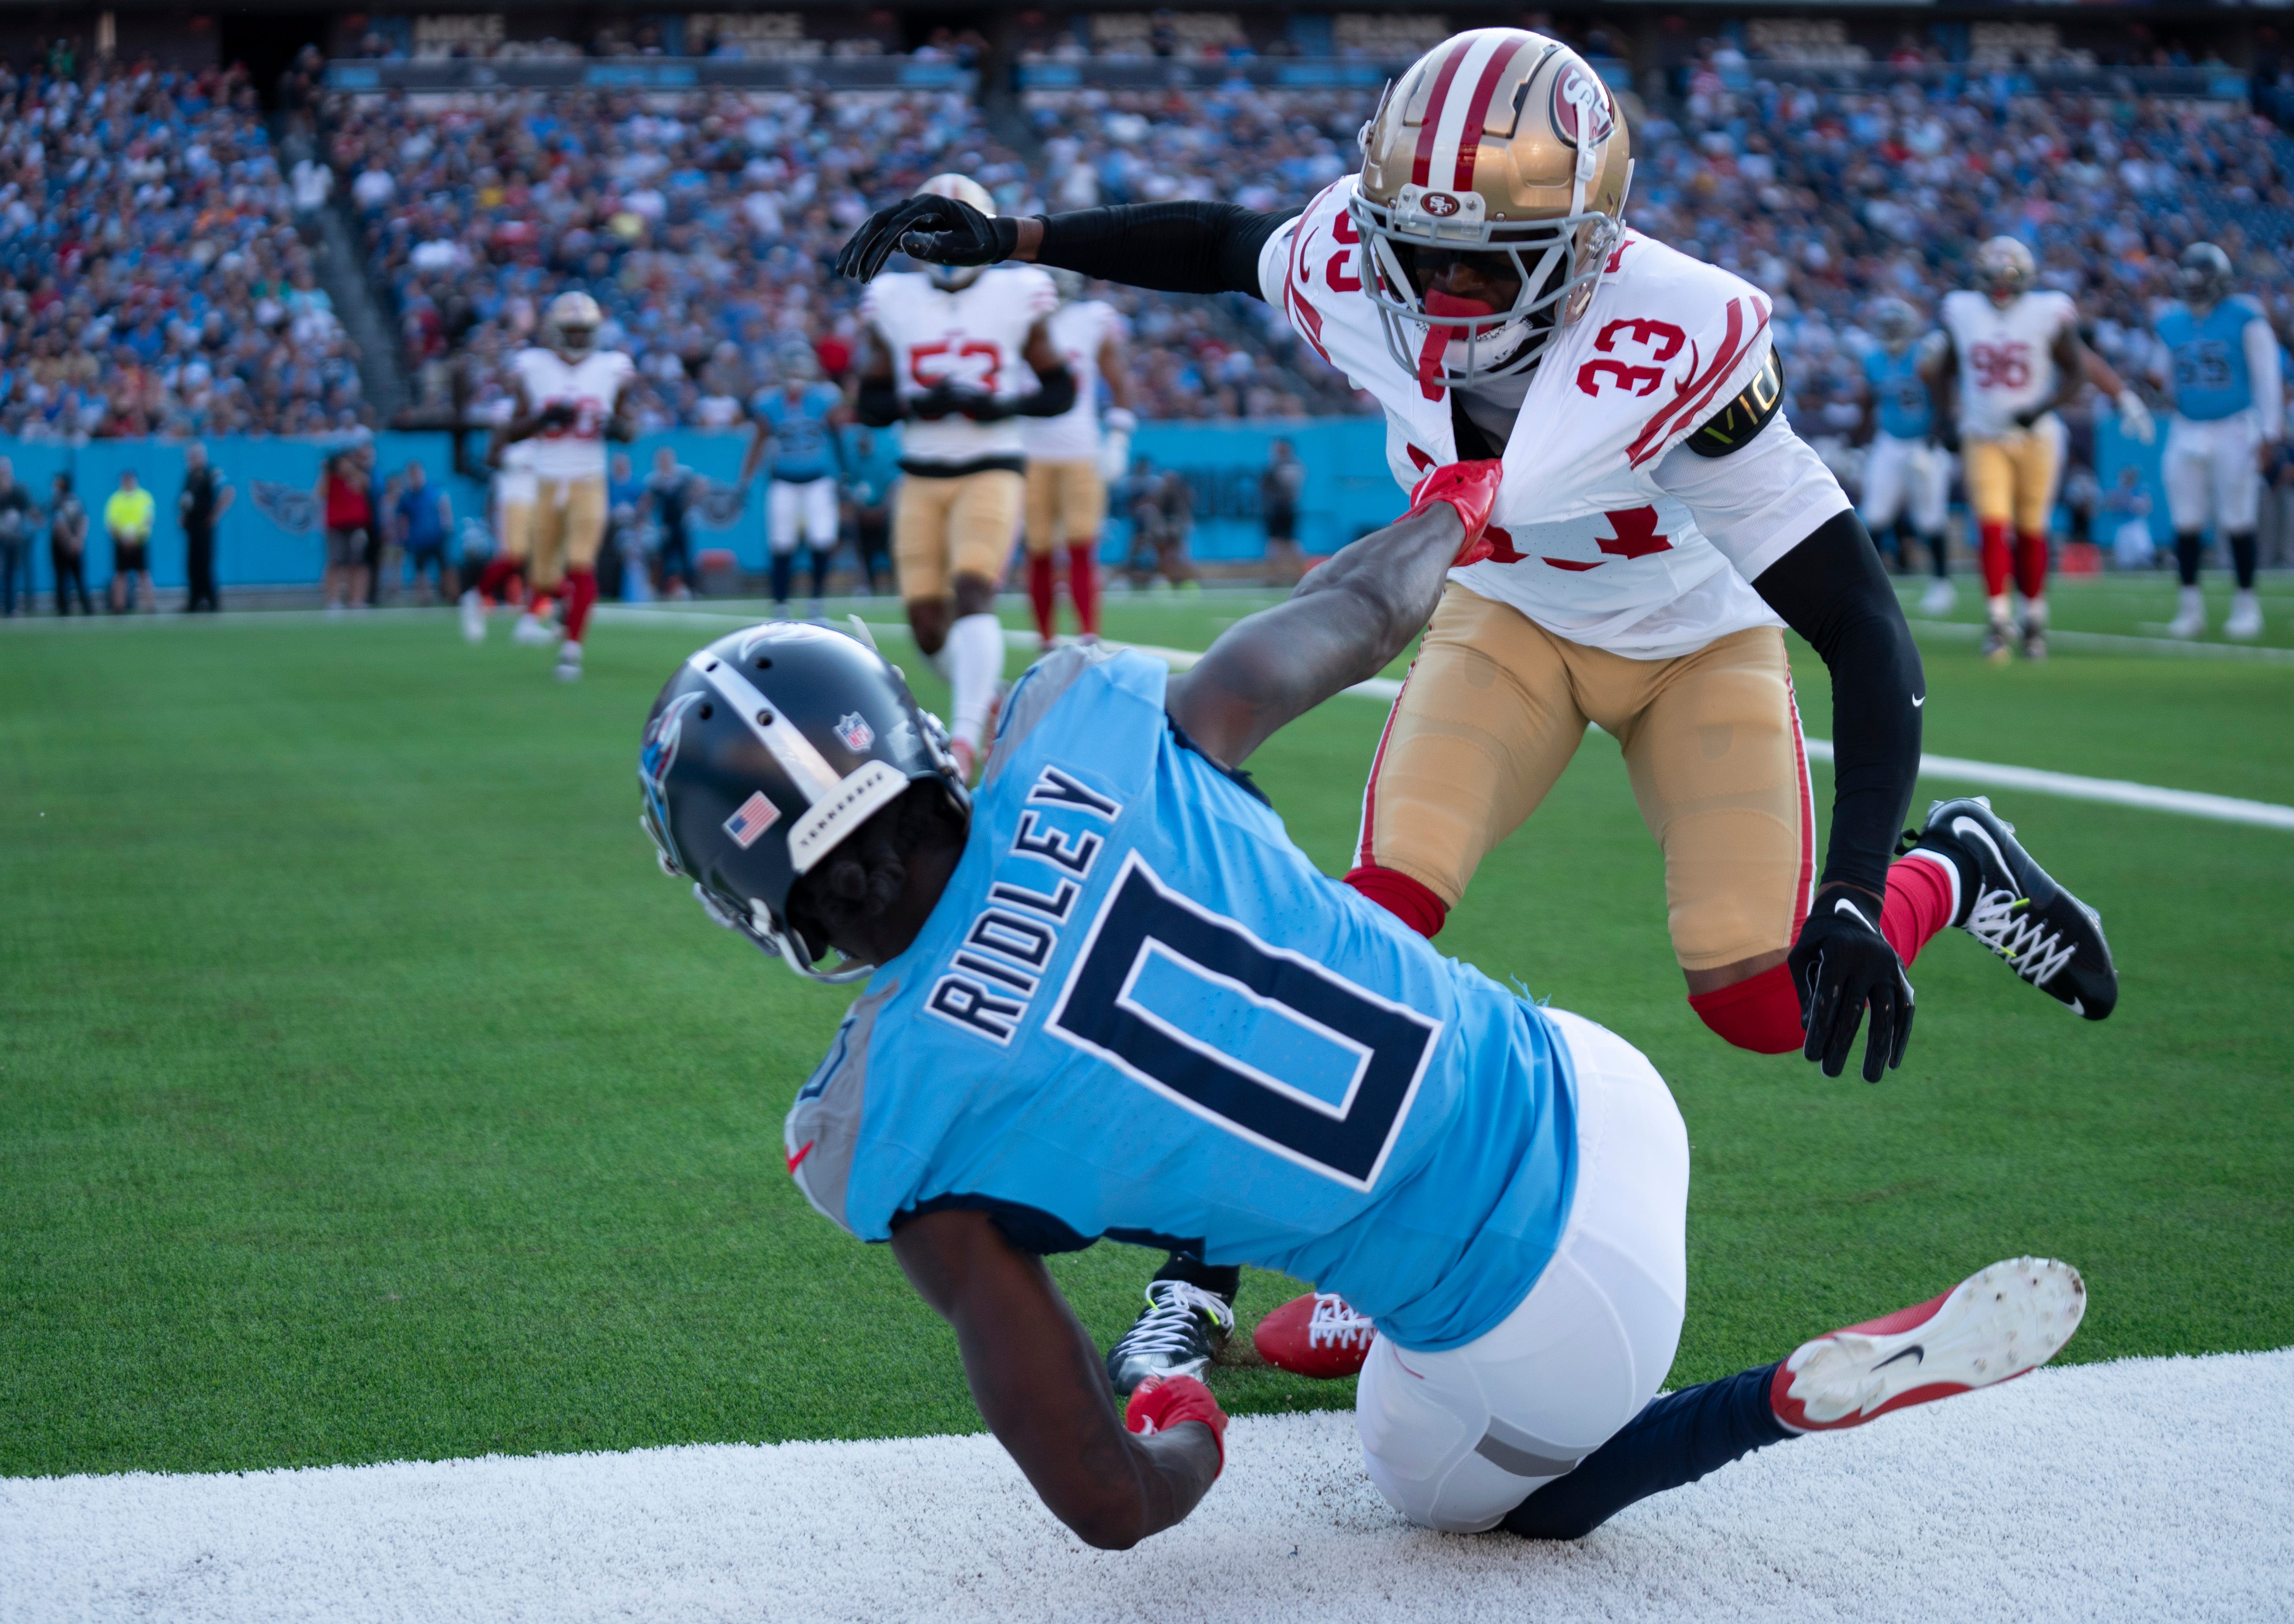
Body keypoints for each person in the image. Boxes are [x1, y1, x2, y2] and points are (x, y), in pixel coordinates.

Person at [840, 29, 2121, 1390]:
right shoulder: (1351, 262)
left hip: (1695, 647)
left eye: (1483, 261)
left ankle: (1953, 865)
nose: (1441, 289)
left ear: (1583, 242)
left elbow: (1862, 630)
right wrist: (1016, 232)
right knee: (1344, 935)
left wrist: (1863, 887)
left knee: (1760, 998)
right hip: (1507, 621)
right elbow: (1225, 242)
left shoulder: (1685, 335)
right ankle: (1195, 1277)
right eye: (1417, 250)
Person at [634, 459, 2089, 1549]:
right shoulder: (1077, 710)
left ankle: (1765, 1400)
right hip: (1592, 1080)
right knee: (1329, 1286)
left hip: (1558, 1322)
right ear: (895, 724)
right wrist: (1464, 491)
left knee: (1475, 1505)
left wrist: (1181, 1439)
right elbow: (1354, 608)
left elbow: (1106, 1502)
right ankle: (1349, 1312)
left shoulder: (883, 1128)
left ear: (748, 896)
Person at [848, 173, 1078, 779]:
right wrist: (914, 405)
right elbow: (868, 402)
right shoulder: (893, 301)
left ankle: (967, 743)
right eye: (934, 230)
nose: (946, 244)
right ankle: (988, 698)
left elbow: (1060, 389)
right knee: (927, 627)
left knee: (974, 591)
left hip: (991, 466)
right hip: (919, 472)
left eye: (956, 229)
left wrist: (996, 404)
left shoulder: (1019, 290)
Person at [1931, 236, 2154, 661]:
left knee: (2032, 527)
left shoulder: (2047, 311)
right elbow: (1942, 370)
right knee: (1993, 526)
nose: (1999, 287)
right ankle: (1998, 620)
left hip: (2038, 436)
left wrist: (2043, 407)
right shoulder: (1961, 311)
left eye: (2007, 278)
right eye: (1991, 278)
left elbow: (2077, 370)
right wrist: (1944, 421)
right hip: (1984, 433)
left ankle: (2034, 618)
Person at [486, 290, 637, 680]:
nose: (575, 338)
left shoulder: (612, 368)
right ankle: (555, 622)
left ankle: (571, 650)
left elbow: (629, 427)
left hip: (589, 478)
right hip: (547, 480)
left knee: (581, 563)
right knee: (543, 575)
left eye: (581, 331)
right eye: (569, 331)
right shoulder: (533, 367)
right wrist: (543, 418)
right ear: (555, 331)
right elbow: (512, 430)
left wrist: (617, 427)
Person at [2151, 242, 2284, 640]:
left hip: (2235, 427)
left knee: (2237, 518)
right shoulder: (2170, 321)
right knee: (2185, 521)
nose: (2193, 290)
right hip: (2187, 426)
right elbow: (2161, 374)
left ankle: (2247, 605)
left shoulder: (2246, 316)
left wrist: (2270, 432)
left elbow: (2267, 378)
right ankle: (2190, 608)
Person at [1020, 269, 1135, 645]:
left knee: (1082, 546)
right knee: (1038, 550)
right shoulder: (1015, 319)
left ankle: (1089, 636)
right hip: (1030, 450)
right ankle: (1046, 640)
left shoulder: (1092, 320)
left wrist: (1118, 438)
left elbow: (1119, 382)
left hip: (1079, 449)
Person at [1855, 300, 1954, 614]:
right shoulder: (1873, 359)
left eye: (1897, 329)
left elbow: (1942, 396)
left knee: (1930, 516)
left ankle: (1941, 585)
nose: (1892, 334)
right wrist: (1857, 437)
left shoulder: (1923, 357)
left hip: (1923, 443)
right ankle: (1867, 583)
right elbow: (1870, 400)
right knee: (1875, 514)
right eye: (1888, 329)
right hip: (1889, 441)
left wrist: (1937, 437)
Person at [740, 346, 849, 618]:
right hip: (784, 480)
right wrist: (745, 480)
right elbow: (758, 441)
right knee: (781, 542)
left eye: (800, 371)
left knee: (822, 539)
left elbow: (838, 433)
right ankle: (780, 603)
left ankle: (816, 602)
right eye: (791, 371)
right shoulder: (769, 403)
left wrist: (846, 473)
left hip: (817, 480)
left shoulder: (824, 398)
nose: (795, 377)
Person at [462, 398, 542, 642]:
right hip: (514, 496)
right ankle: (476, 597)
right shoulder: (506, 411)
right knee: (513, 555)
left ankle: (530, 621)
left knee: (543, 559)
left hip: (539, 495)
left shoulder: (542, 406)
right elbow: (493, 458)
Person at [840, 422, 901, 597]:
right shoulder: (853, 460)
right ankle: (866, 583)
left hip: (884, 513)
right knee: (855, 536)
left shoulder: (883, 459)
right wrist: (859, 511)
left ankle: (898, 583)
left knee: (894, 542)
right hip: (862, 514)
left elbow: (893, 486)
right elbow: (847, 489)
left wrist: (882, 510)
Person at [178, 443, 234, 613]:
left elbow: (228, 491)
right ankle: (194, 601)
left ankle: (211, 601)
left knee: (204, 563)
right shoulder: (191, 475)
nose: (190, 460)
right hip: (192, 526)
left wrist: (216, 515)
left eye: (193, 457)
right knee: (192, 564)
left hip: (205, 525)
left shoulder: (211, 472)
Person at [394, 458, 455, 605]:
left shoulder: (434, 490)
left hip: (437, 536)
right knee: (421, 570)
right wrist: (403, 538)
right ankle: (424, 599)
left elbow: (444, 507)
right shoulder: (407, 497)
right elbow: (403, 519)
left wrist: (448, 526)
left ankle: (453, 596)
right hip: (418, 539)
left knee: (446, 568)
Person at [317, 450, 372, 613]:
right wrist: (326, 472)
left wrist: (352, 471)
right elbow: (321, 493)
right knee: (335, 562)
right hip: (336, 525)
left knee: (359, 563)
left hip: (357, 525)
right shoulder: (331, 478)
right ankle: (333, 600)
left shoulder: (357, 476)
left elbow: (367, 485)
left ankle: (357, 600)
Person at [643, 446, 700, 601]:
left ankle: (691, 589)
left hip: (682, 523)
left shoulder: (684, 474)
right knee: (663, 559)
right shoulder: (654, 480)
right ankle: (662, 590)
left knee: (686, 558)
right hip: (665, 525)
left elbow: (700, 487)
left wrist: (691, 508)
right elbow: (648, 502)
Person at [105, 469, 157, 614]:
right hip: (121, 543)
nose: (127, 483)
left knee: (144, 573)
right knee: (121, 574)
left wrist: (135, 537)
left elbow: (148, 519)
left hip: (140, 542)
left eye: (130, 479)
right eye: (125, 480)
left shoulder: (144, 497)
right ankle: (119, 607)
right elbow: (111, 522)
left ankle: (151, 606)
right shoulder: (115, 499)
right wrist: (122, 538)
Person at [1261, 437, 1307, 586]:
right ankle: (1276, 576)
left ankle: (1299, 574)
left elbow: (1283, 487)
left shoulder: (1289, 467)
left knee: (1288, 543)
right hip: (1278, 511)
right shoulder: (1283, 466)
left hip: (1284, 510)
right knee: (1277, 544)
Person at [0, 457, 37, 618]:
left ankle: (11, 607)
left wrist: (34, 520)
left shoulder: (18, 490)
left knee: (11, 572)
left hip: (14, 539)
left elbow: (30, 510)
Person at [48, 472, 89, 616]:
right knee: (76, 577)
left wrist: (72, 541)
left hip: (63, 546)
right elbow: (84, 521)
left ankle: (64, 608)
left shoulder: (59, 501)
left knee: (65, 577)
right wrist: (78, 541)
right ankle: (85, 607)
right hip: (74, 545)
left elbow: (60, 524)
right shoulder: (76, 500)